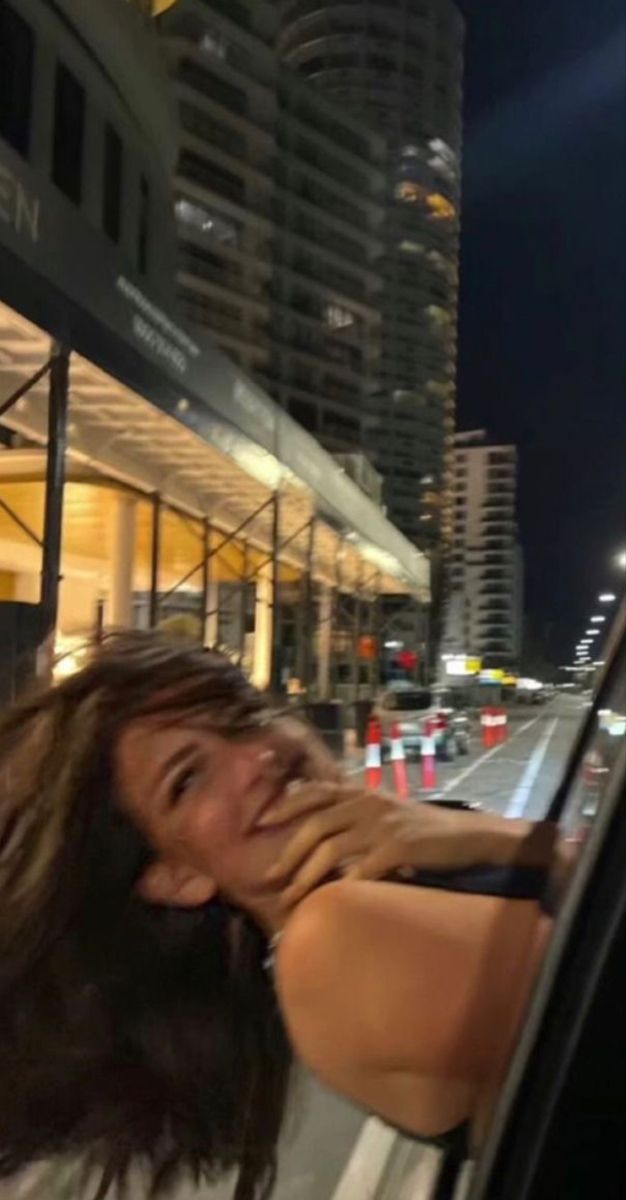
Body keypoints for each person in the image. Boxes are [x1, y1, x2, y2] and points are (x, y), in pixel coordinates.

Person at [0, 632, 556, 1200]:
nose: (260, 759)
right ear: (177, 877)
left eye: (243, 716)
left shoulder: (403, 866)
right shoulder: (334, 939)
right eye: (188, 780)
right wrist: (503, 840)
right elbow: (598, 974)